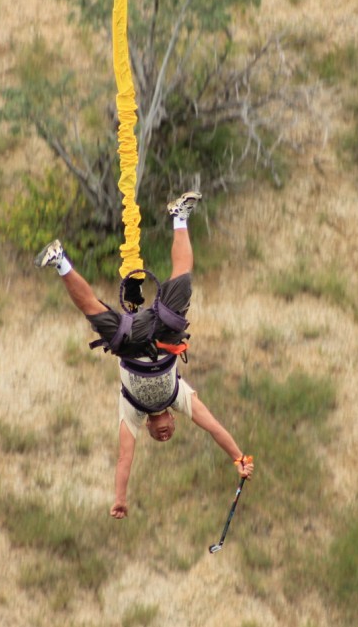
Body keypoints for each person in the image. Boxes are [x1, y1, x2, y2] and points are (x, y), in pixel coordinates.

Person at [35, 191, 254, 519]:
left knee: (93, 312)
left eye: (158, 437)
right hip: (164, 336)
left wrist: (119, 498)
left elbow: (125, 459)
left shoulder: (132, 411)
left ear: (148, 429)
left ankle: (59, 260)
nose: (163, 435)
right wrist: (239, 457)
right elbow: (215, 428)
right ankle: (179, 216)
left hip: (130, 343)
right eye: (169, 434)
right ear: (174, 420)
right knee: (183, 280)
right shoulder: (180, 397)